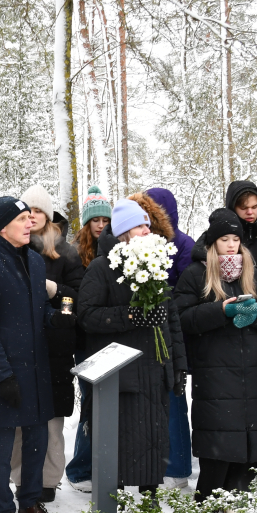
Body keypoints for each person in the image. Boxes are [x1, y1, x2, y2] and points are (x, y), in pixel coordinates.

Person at [0, 197, 72, 513]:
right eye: (23, 219)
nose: (31, 224)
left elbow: (36, 310)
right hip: (4, 371)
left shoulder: (35, 261)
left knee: (36, 440)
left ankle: (29, 503)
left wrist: (53, 320)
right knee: (0, 445)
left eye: (32, 219)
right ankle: (4, 511)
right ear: (2, 227)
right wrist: (4, 375)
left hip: (37, 368)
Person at [76, 198, 187, 496]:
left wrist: (178, 367)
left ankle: (150, 498)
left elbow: (170, 321)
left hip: (154, 369)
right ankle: (116, 500)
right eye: (140, 225)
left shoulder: (155, 264)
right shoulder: (101, 268)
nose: (147, 230)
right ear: (124, 231)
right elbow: (86, 315)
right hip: (122, 375)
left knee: (154, 439)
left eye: (148, 225)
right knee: (122, 440)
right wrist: (129, 315)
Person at [174, 208, 257, 501]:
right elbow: (181, 319)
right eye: (225, 239)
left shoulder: (250, 274)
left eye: (235, 239)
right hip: (215, 372)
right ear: (213, 243)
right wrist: (221, 310)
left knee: (245, 451)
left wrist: (255, 316)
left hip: (251, 373)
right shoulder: (196, 273)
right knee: (218, 452)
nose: (231, 245)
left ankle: (237, 511)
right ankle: (207, 510)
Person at [9, 185, 85, 503]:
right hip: (20, 346)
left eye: (38, 211)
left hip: (54, 347)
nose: (32, 217)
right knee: (20, 416)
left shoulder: (66, 253)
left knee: (52, 418)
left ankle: (49, 479)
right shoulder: (12, 249)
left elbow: (77, 299)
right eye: (27, 212)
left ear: (48, 215)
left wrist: (57, 296)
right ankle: (19, 476)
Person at [144, 187, 195, 489]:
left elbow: (187, 286)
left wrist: (163, 300)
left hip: (171, 327)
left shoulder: (183, 244)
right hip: (146, 328)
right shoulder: (141, 243)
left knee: (174, 398)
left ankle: (177, 466)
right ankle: (154, 462)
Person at [66, 185, 114, 493]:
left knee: (111, 405)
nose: (100, 225)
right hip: (85, 341)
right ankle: (81, 467)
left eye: (105, 220)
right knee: (91, 405)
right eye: (95, 220)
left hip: (112, 337)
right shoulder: (75, 255)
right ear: (86, 223)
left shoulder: (117, 250)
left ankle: (109, 464)